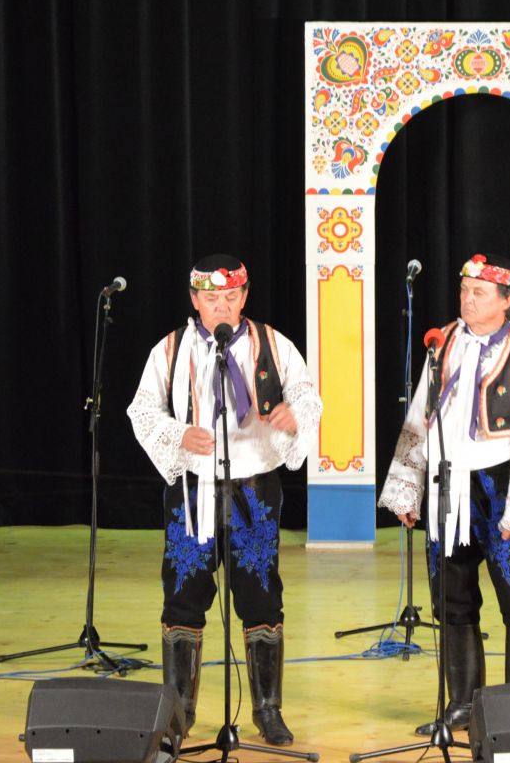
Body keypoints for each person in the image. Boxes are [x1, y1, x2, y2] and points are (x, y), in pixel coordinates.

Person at [127, 254, 322, 745]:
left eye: (231, 297)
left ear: (244, 296)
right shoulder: (170, 349)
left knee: (261, 593)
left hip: (254, 485)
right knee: (183, 593)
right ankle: (179, 714)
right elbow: (141, 410)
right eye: (211, 298)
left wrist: (294, 415)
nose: (222, 307)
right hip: (192, 488)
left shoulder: (273, 344)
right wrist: (177, 434)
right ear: (195, 299)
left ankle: (267, 709)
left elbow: (308, 396)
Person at [378, 252, 510, 735]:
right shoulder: (444, 341)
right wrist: (408, 488)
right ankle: (463, 704)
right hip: (448, 482)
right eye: (464, 290)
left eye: (479, 292)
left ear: (507, 299)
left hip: (500, 484)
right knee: (451, 597)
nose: (468, 299)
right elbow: (420, 416)